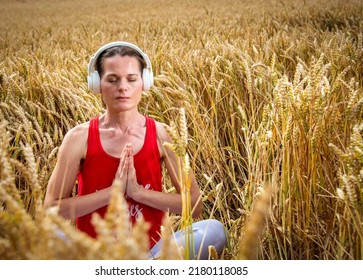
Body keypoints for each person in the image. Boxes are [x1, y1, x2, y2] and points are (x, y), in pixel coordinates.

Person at [43, 41, 227, 259]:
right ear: (97, 84)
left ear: (144, 82)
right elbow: (51, 209)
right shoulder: (78, 138)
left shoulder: (163, 134)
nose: (123, 87)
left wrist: (138, 192)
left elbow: (194, 206)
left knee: (213, 230)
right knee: (47, 232)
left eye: (131, 79)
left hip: (151, 251)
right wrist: (112, 193)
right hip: (94, 253)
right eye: (112, 79)